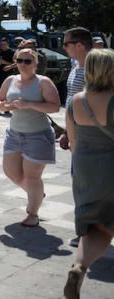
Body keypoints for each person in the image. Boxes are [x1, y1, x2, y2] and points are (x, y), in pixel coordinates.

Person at [63, 48, 114, 299]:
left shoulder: (75, 101)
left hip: (86, 171)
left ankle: (79, 267)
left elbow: (73, 142)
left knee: (96, 229)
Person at [0, 46, 61, 227]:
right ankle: (37, 195)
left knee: (32, 177)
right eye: (19, 61)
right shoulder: (10, 80)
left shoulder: (43, 82)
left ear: (36, 64)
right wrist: (3, 106)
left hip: (38, 135)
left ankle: (33, 214)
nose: (23, 64)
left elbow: (55, 106)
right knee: (11, 172)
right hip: (14, 134)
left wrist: (28, 104)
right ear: (15, 62)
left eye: (28, 61)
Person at [58, 27, 94, 247]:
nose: (64, 47)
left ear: (80, 45)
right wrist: (66, 131)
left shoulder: (94, 69)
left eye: (66, 43)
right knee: (80, 183)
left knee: (86, 184)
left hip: (88, 137)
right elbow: (72, 102)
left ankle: (88, 232)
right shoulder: (75, 67)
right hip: (76, 135)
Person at [0, 37, 16, 114]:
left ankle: (7, 108)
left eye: (4, 44)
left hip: (7, 75)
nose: (2, 46)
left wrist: (4, 62)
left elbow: (15, 64)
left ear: (8, 44)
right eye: (1, 44)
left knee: (7, 92)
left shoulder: (12, 52)